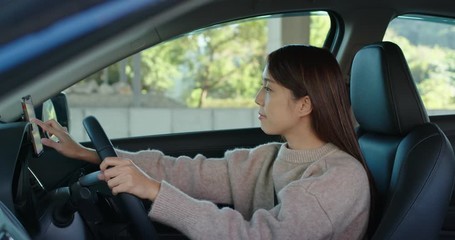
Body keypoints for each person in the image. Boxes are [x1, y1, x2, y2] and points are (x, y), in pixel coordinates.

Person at [33, 45, 373, 240]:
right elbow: (189, 172)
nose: (257, 99)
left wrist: (154, 191)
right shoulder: (270, 158)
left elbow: (256, 237)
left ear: (303, 104)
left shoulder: (338, 178)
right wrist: (86, 153)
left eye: (268, 89)